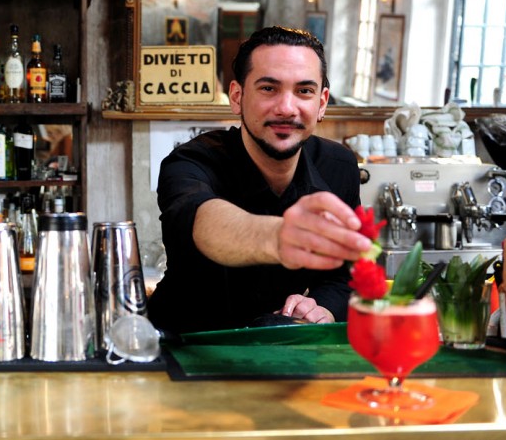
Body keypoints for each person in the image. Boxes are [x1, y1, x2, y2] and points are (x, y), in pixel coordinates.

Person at [147, 26, 371, 335]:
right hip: (186, 349)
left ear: (321, 104)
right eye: (269, 88)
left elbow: (340, 277)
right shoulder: (190, 161)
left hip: (281, 354)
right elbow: (203, 220)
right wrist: (280, 237)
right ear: (237, 97)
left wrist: (322, 307)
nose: (286, 108)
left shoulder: (338, 165)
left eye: (304, 91)